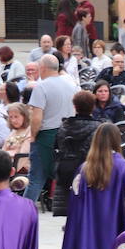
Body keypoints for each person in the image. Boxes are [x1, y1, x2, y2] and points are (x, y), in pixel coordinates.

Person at [24, 54, 74, 205]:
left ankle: (23, 215)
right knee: (66, 179)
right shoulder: (71, 84)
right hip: (68, 135)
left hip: (46, 136)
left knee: (36, 180)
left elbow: (37, 117)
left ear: (43, 68)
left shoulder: (42, 87)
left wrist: (33, 136)